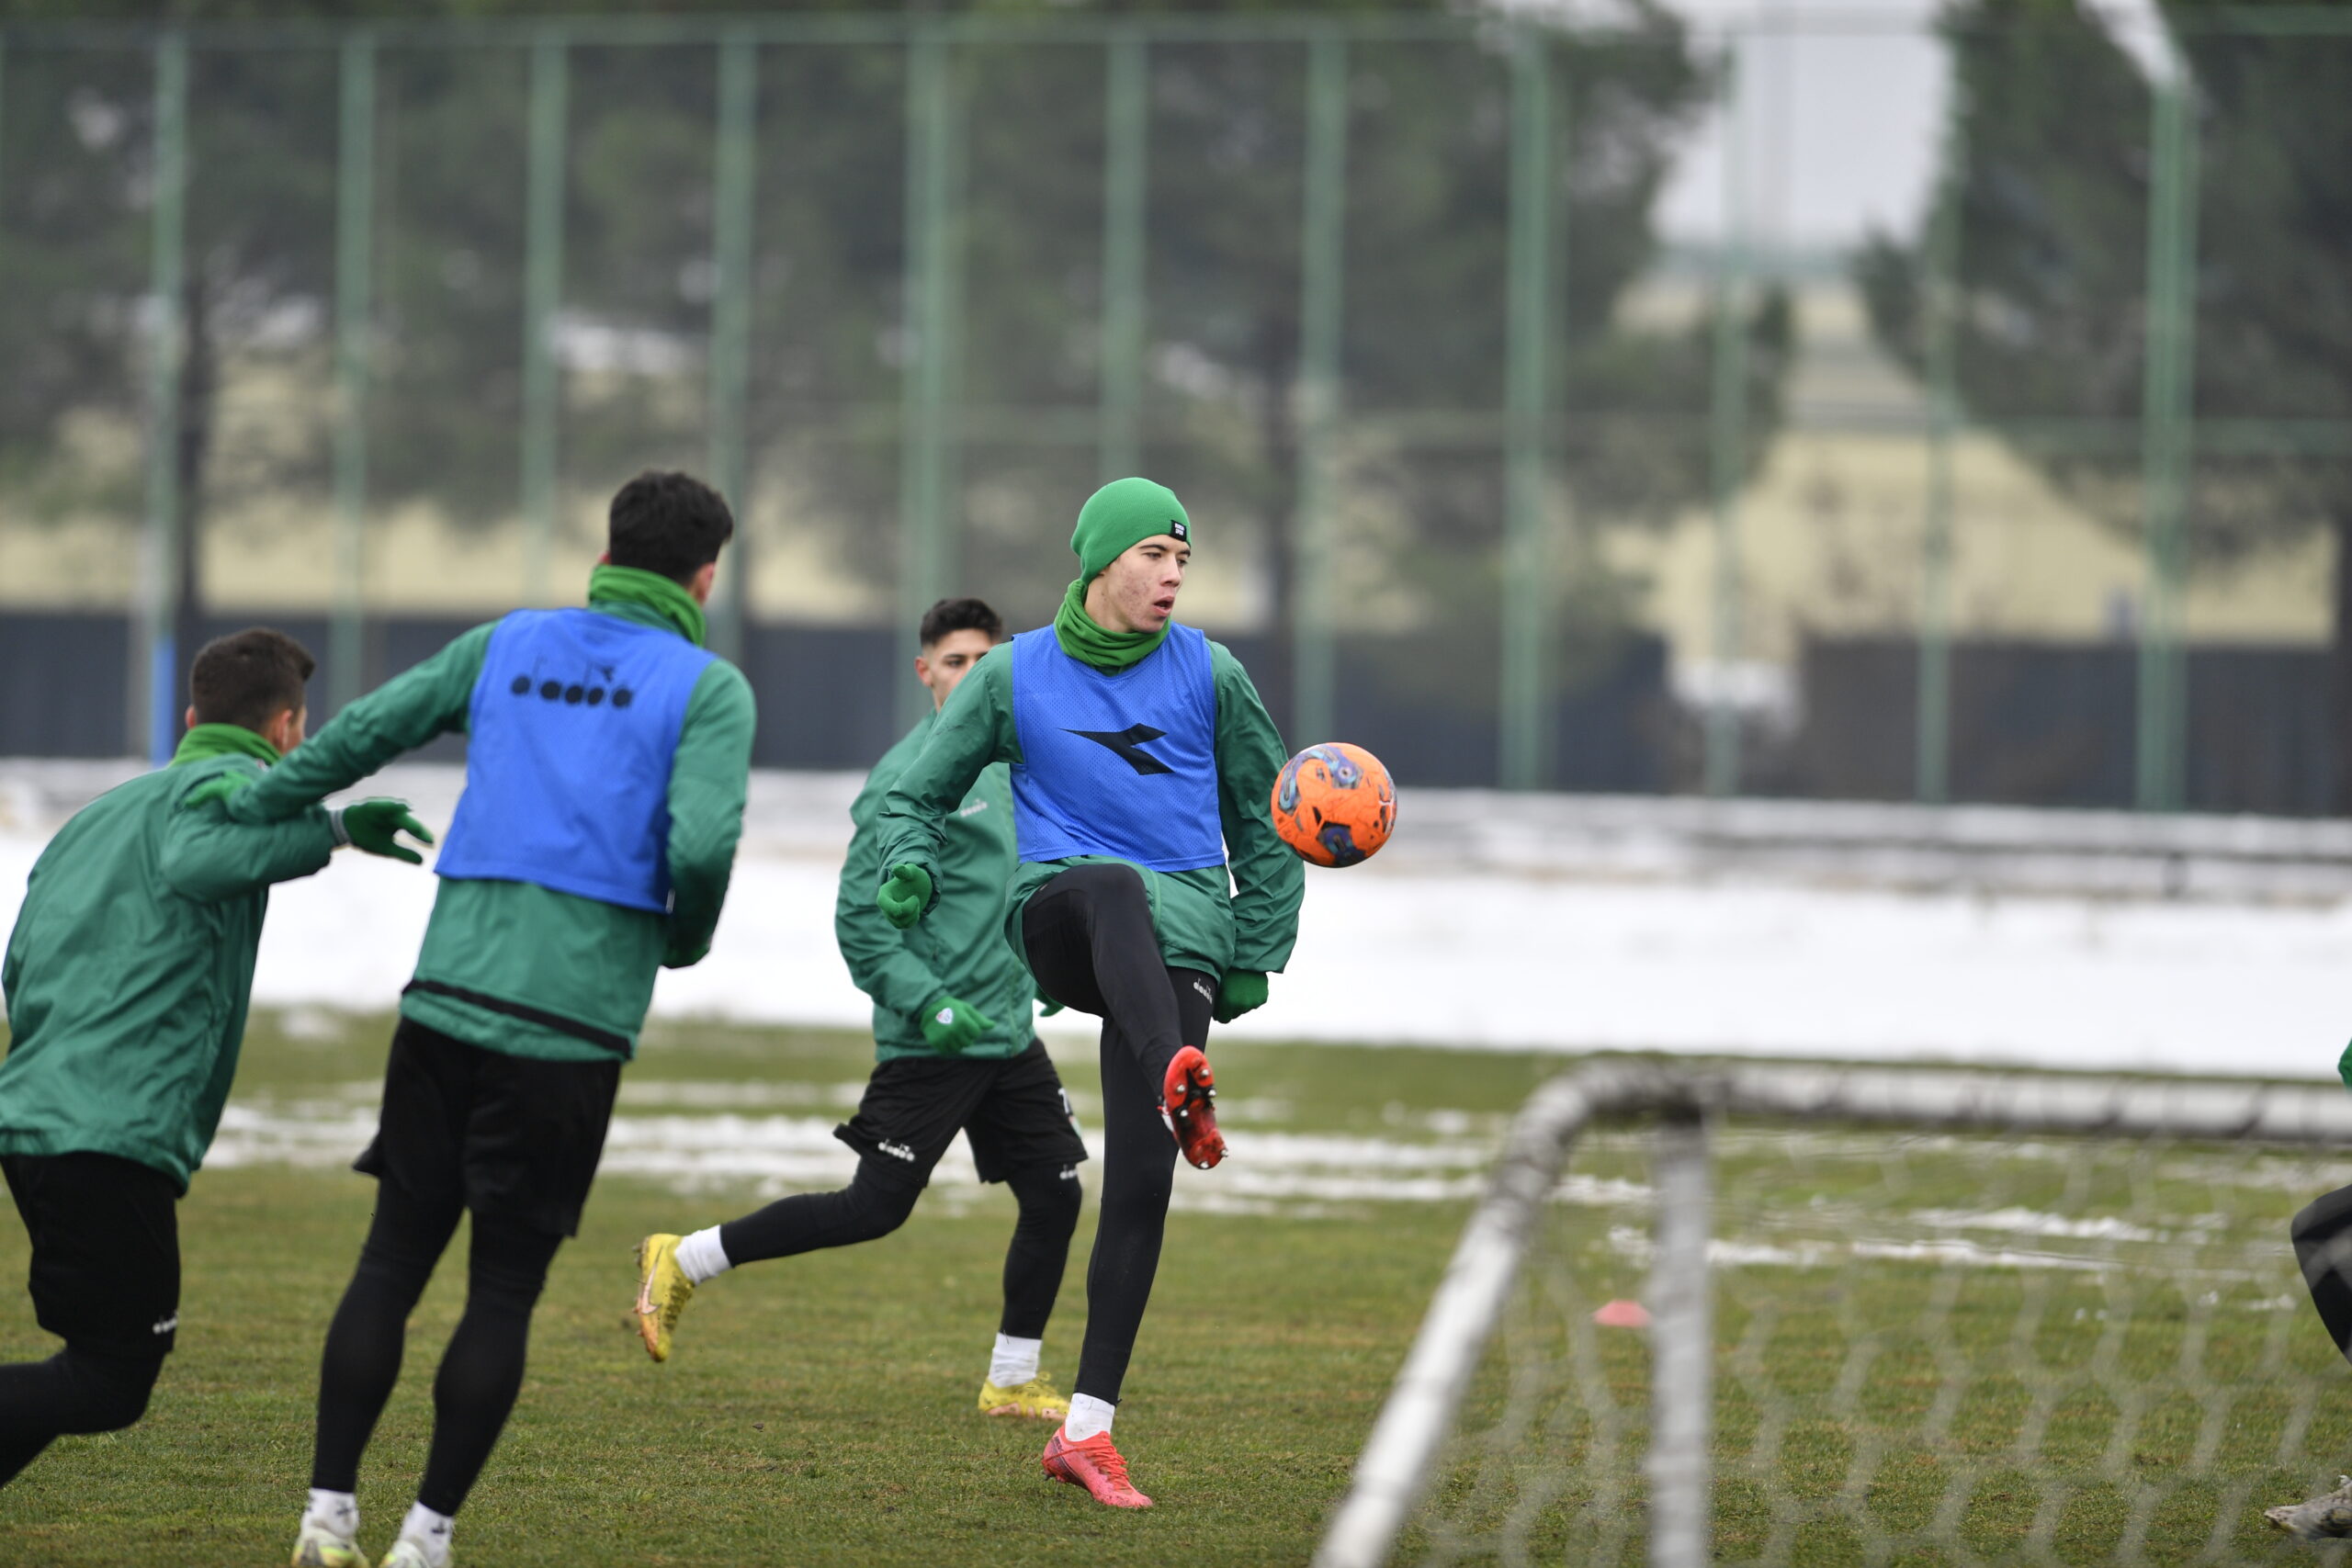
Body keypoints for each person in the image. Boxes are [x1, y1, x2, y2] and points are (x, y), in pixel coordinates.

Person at [196, 472, 754, 1568]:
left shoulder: (507, 642)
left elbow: (364, 731)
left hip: (449, 995)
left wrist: (255, 800)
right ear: (705, 574)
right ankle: (424, 1538)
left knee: (390, 1262)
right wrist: (679, 939)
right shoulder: (708, 687)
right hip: (573, 1025)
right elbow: (695, 848)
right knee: (503, 1289)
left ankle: (325, 1518)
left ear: (609, 549)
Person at [871, 476, 1305, 1509]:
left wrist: (1256, 947)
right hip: (1063, 918)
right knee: (1108, 884)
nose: (1172, 576)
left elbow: (1268, 811)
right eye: (1155, 555)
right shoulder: (1015, 675)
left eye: (1184, 561)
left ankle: (1087, 1432)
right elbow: (914, 788)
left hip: (1184, 937)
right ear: (1101, 559)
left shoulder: (1213, 672)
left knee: (1143, 1183)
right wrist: (910, 862)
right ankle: (1176, 1074)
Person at [632, 595, 1088, 1423]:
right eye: (954, 662)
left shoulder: (1020, 767)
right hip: (936, 1037)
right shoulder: (905, 783)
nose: (969, 676)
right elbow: (861, 926)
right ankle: (685, 1257)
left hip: (1008, 1032)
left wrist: (1053, 964)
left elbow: (1039, 879)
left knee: (1056, 1194)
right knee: (871, 1208)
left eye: (985, 664)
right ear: (925, 672)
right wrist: (933, 1004)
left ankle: (1012, 1379)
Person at [0, 628, 429, 1492]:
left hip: (35, 1118)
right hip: (111, 1133)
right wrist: (334, 828)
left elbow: (19, 961)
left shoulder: (103, 814)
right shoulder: (228, 788)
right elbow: (205, 855)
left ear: (193, 715)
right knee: (112, 1375)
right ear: (283, 732)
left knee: (100, 1364)